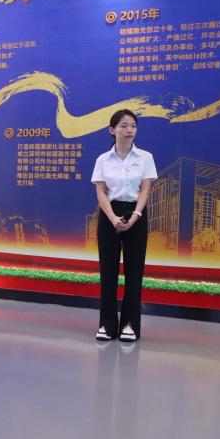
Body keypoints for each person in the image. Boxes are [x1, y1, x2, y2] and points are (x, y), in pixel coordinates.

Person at [91, 108, 157, 343]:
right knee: (108, 272)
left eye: (133, 126)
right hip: (109, 213)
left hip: (135, 213)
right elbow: (101, 191)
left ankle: (129, 325)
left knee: (134, 272)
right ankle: (107, 325)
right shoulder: (102, 160)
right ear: (112, 130)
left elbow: (146, 188)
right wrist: (112, 218)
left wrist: (136, 215)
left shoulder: (145, 157)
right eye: (124, 126)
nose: (130, 130)